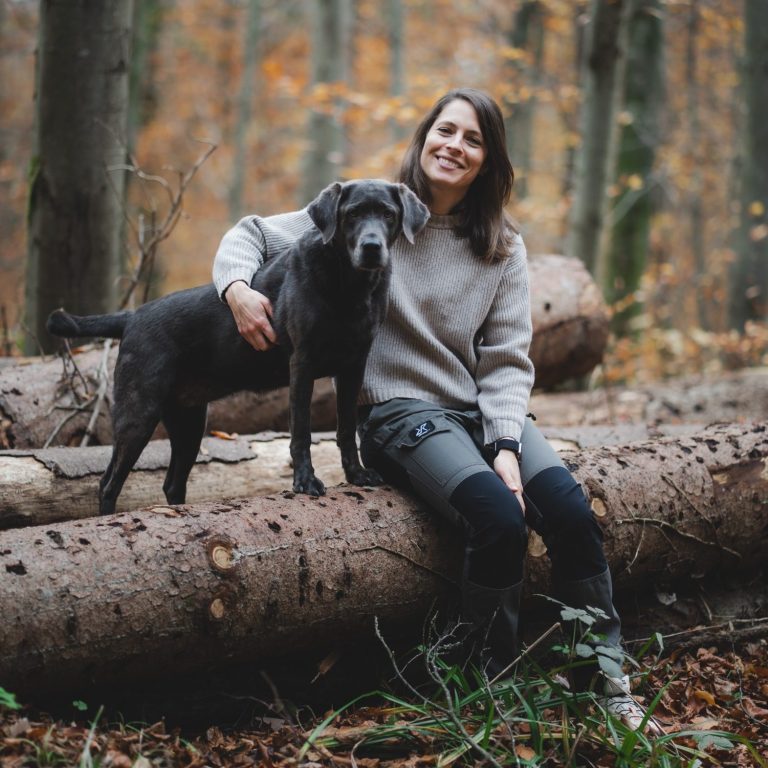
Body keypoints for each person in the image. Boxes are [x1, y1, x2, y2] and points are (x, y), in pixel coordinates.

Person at [212, 87, 662, 736]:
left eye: (473, 139)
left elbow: (507, 360)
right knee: (497, 517)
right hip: (399, 413)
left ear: (489, 160)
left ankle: (604, 684)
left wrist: (507, 441)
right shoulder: (374, 208)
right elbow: (251, 233)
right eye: (444, 131)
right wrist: (235, 289)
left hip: (480, 413)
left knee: (567, 509)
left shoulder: (502, 246)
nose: (454, 145)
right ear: (424, 139)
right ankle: (489, 689)